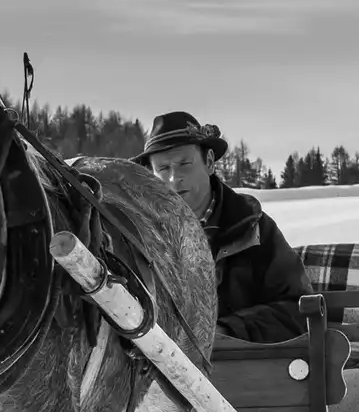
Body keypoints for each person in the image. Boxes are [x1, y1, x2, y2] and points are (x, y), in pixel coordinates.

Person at [133, 112, 315, 343]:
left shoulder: (253, 228)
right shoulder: (137, 235)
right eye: (163, 169)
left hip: (242, 367)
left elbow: (298, 310)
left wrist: (228, 332)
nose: (173, 179)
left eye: (184, 164)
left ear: (209, 162)